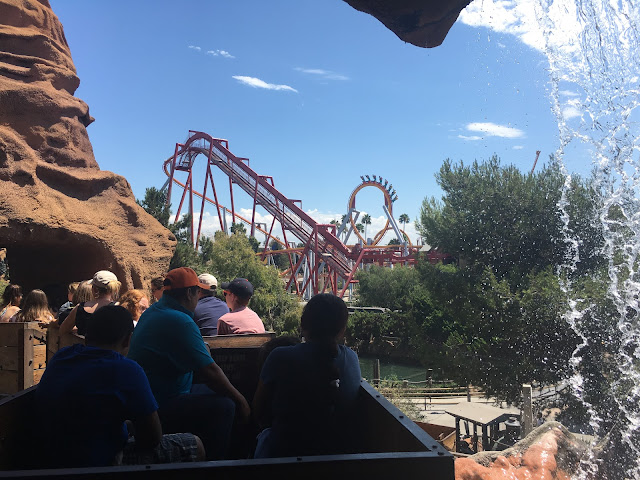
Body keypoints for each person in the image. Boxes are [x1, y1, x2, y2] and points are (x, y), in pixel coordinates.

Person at [34, 305, 204, 468]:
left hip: (50, 457)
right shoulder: (127, 369)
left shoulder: (62, 356)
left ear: (88, 333)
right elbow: (152, 438)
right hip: (98, 465)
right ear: (128, 339)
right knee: (194, 444)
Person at [127, 267, 251, 460]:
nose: (200, 296)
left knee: (214, 393)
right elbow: (210, 372)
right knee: (226, 405)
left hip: (149, 396)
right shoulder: (179, 320)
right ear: (189, 293)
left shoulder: (154, 311)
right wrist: (241, 401)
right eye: (198, 291)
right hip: (161, 402)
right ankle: (216, 465)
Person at [252, 293, 362, 458]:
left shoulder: (279, 356)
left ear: (303, 324)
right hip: (338, 459)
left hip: (284, 456)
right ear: (342, 329)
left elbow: (257, 410)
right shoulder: (351, 358)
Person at [60, 270, 121, 336]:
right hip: (110, 346)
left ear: (94, 289)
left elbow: (62, 330)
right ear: (115, 289)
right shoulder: (119, 308)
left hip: (86, 345)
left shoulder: (80, 308)